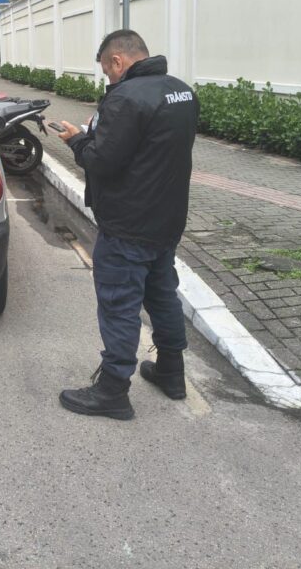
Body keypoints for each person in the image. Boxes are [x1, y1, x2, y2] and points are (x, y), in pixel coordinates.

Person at [55, 30, 198, 420]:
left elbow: (101, 161)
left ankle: (113, 390)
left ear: (117, 61)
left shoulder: (125, 97)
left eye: (107, 70)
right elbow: (149, 148)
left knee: (119, 304)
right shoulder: (181, 91)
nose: (108, 77)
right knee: (162, 294)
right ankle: (171, 372)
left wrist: (78, 139)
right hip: (166, 220)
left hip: (128, 223)